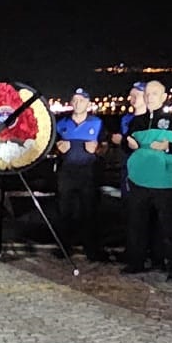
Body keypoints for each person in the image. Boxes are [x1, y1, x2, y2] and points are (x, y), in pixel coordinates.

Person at [120, 80, 172, 274]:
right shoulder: (137, 120)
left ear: (163, 97)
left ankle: (171, 266)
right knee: (136, 223)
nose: (149, 97)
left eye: (154, 94)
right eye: (147, 93)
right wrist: (127, 143)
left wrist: (168, 146)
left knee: (167, 226)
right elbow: (126, 142)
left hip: (164, 182)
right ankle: (135, 262)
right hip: (139, 180)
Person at [53, 88, 104, 262]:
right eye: (74, 100)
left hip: (88, 172)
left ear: (88, 104)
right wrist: (58, 148)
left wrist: (97, 149)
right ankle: (64, 247)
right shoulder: (62, 123)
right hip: (66, 172)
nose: (77, 103)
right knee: (64, 210)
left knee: (89, 210)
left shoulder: (97, 123)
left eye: (81, 100)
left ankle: (92, 249)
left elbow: (105, 145)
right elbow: (52, 144)